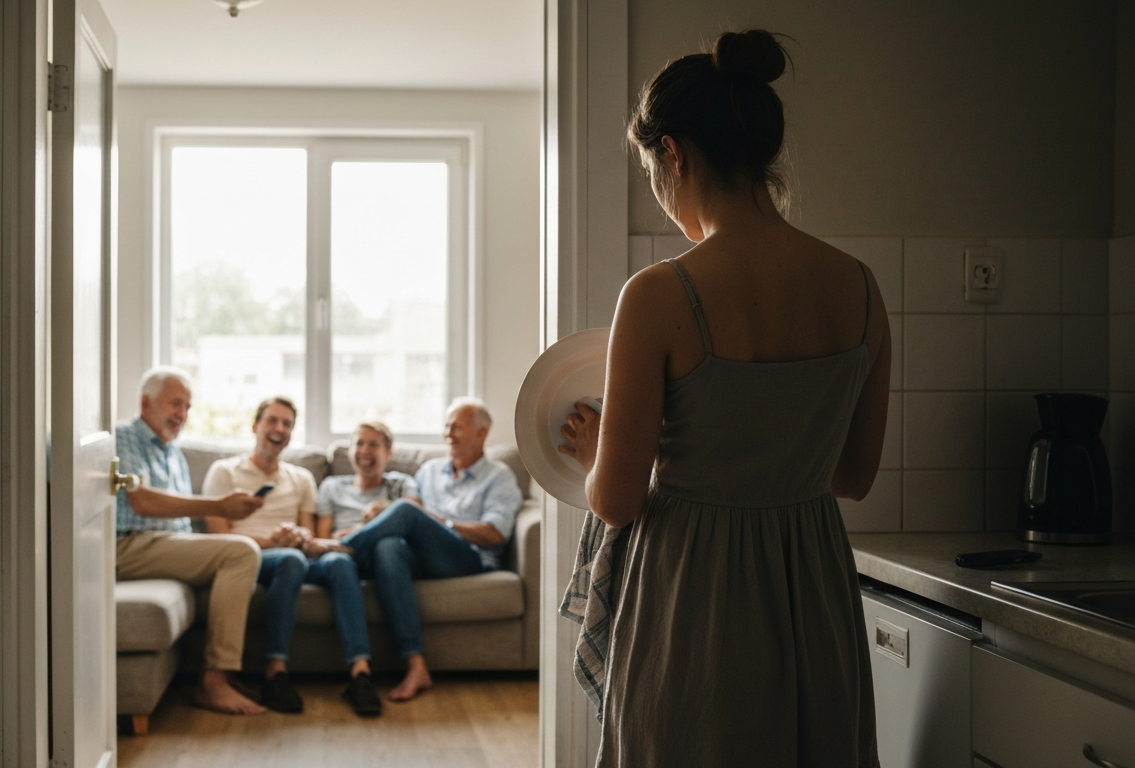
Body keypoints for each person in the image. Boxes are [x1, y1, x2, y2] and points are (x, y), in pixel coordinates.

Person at [556, 30, 888, 767]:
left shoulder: (660, 293)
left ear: (673, 154)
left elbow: (615, 500)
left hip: (692, 597)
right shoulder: (860, 286)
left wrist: (591, 451)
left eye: (651, 168)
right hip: (813, 586)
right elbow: (853, 477)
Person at [203, 397, 382, 716]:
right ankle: (275, 672)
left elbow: (309, 536)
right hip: (248, 559)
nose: (279, 429)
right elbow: (218, 536)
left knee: (340, 562)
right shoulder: (225, 471)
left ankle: (360, 674)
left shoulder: (301, 478)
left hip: (295, 555)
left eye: (287, 424)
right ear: (256, 426)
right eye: (272, 421)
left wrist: (306, 540)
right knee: (290, 559)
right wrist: (270, 542)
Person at [340, 397, 522, 701]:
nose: (448, 433)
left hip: (469, 558)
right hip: (425, 556)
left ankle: (341, 549)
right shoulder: (429, 471)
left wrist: (440, 522)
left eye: (457, 427)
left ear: (481, 434)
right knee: (387, 546)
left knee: (407, 511)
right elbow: (414, 522)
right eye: (447, 426)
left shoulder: (499, 476)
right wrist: (385, 514)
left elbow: (494, 533)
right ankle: (416, 665)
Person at [114, 366, 268, 716]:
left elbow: (180, 525)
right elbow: (142, 500)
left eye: (187, 407)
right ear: (145, 403)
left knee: (242, 553)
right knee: (241, 552)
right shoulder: (122, 437)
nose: (182, 414)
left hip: (161, 544)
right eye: (175, 404)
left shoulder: (173, 453)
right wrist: (219, 506)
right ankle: (213, 682)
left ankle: (225, 677)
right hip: (128, 546)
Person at [315, 422, 420, 540]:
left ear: (388, 453)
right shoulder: (331, 486)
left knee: (389, 545)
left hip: (383, 547)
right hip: (342, 553)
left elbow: (416, 518)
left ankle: (355, 539)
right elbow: (322, 539)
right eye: (359, 443)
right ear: (350, 451)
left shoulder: (401, 484)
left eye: (373, 444)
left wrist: (387, 511)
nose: (365, 451)